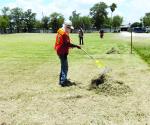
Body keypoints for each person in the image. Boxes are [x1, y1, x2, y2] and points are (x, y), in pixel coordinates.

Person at [54, 20, 81, 87]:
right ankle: (63, 82)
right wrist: (76, 46)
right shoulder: (64, 34)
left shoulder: (61, 31)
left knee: (63, 66)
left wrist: (70, 45)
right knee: (65, 67)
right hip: (62, 52)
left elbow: (65, 43)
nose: (70, 30)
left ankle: (61, 80)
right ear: (66, 27)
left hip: (59, 50)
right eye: (69, 29)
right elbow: (68, 44)